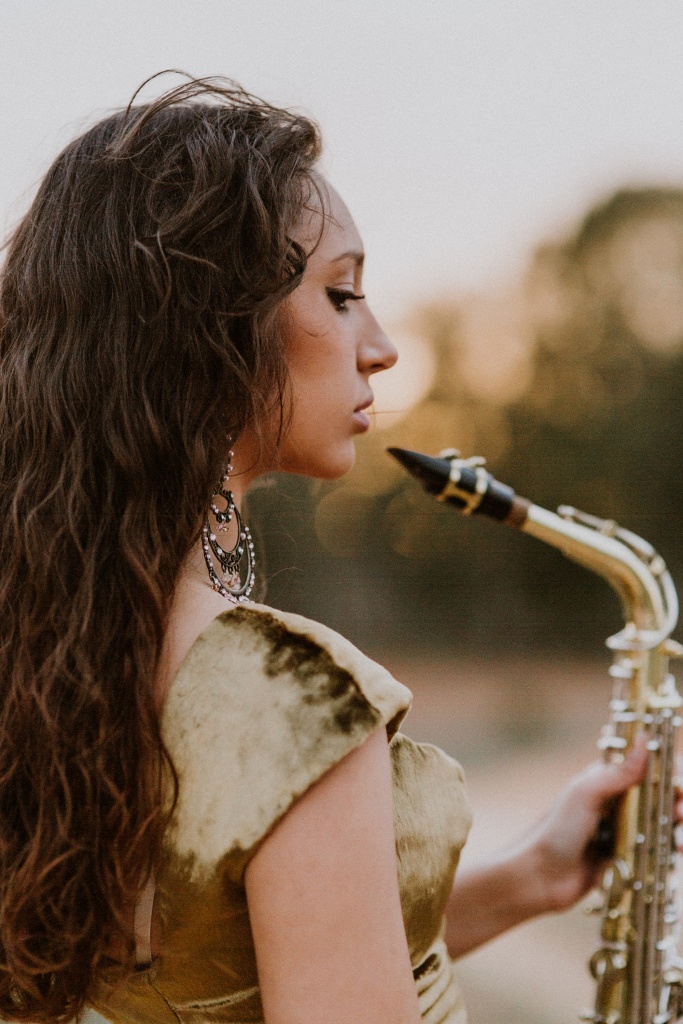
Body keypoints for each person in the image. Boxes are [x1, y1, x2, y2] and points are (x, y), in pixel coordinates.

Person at [0, 75, 656, 1024]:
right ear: (210, 327)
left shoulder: (50, 654)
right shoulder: (294, 704)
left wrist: (532, 879)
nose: (381, 347)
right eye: (340, 294)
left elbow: (227, 978)